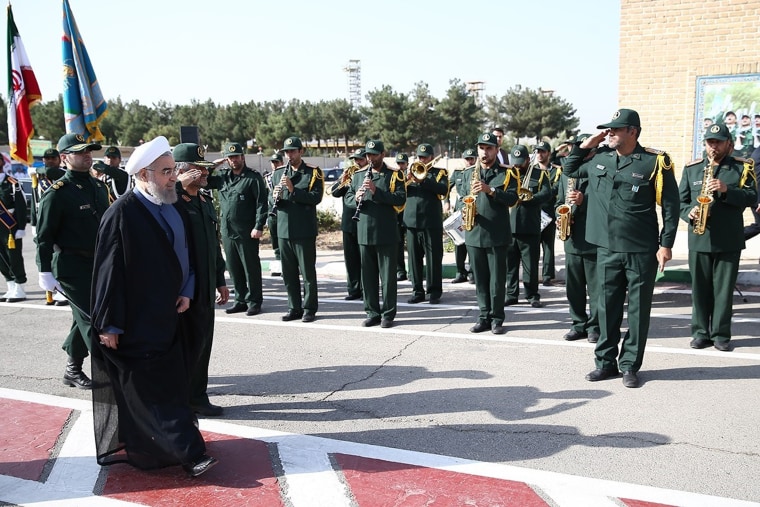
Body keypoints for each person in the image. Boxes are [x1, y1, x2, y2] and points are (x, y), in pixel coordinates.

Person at [90, 136, 217, 478]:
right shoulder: (122, 214)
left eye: (173, 169)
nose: (173, 177)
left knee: (171, 385)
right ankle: (192, 453)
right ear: (144, 175)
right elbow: (107, 273)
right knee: (152, 391)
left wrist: (187, 290)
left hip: (171, 316)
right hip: (135, 320)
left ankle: (160, 449)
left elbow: (186, 256)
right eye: (165, 172)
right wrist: (109, 325)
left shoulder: (173, 205)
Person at [563, 108, 680, 388]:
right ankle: (605, 363)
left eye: (616, 129)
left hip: (641, 249)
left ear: (632, 131)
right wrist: (586, 145)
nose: (610, 133)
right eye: (608, 129)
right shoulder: (599, 157)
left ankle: (629, 365)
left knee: (638, 311)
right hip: (606, 248)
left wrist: (666, 244)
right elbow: (569, 169)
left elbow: (671, 207)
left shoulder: (654, 162)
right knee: (605, 308)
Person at [35, 134, 110, 390]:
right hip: (72, 267)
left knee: (83, 317)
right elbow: (44, 237)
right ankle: (113, 371)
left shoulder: (99, 187)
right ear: (65, 158)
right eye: (81, 152)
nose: (88, 155)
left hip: (99, 265)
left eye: (89, 150)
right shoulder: (57, 194)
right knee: (94, 319)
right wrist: (44, 271)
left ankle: (72, 369)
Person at [679, 123, 757, 352]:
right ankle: (701, 332)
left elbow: (752, 197)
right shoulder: (692, 168)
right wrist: (689, 213)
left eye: (718, 142)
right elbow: (680, 202)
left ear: (728, 144)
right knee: (700, 289)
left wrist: (726, 190)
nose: (713, 147)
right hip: (699, 236)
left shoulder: (742, 168)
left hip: (728, 238)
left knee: (723, 291)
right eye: (710, 142)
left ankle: (721, 334)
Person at [174, 143, 230, 416]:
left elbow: (213, 244)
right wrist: (177, 188)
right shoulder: (172, 202)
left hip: (206, 286)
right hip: (185, 289)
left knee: (202, 343)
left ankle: (197, 395)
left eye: (204, 168)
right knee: (185, 346)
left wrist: (220, 278)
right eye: (198, 169)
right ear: (182, 172)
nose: (204, 173)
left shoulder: (204, 201)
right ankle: (183, 398)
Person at [462, 133, 519, 334]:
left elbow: (513, 199)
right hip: (474, 233)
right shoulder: (469, 173)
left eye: (489, 148)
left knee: (496, 281)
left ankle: (497, 318)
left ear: (496, 150)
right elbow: (463, 197)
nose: (484, 152)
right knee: (480, 280)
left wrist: (491, 190)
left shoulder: (508, 173)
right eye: (481, 148)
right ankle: (483, 316)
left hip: (496, 234)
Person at [346, 140, 407, 328]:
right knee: (368, 276)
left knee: (388, 278)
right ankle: (372, 312)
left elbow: (400, 198)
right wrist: (355, 198)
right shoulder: (358, 176)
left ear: (382, 154)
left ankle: (388, 314)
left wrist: (375, 191)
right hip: (364, 232)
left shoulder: (394, 175)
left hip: (386, 232)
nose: (370, 158)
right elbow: (348, 197)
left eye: (374, 155)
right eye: (368, 155)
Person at [207, 142, 268, 316]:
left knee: (251, 268)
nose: (234, 160)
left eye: (236, 156)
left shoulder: (253, 177)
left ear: (242, 157)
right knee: (233, 268)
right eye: (230, 157)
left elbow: (261, 204)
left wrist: (258, 226)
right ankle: (240, 300)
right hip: (228, 232)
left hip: (246, 231)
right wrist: (214, 165)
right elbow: (204, 181)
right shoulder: (223, 176)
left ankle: (254, 301)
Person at [273, 136, 324, 322]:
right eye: (286, 152)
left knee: (307, 273)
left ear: (301, 151)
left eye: (293, 151)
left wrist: (293, 190)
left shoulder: (313, 172)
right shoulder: (278, 173)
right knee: (289, 273)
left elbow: (316, 198)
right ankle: (293, 307)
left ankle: (309, 308)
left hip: (304, 230)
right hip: (284, 230)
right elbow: (272, 201)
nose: (289, 155)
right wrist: (275, 197)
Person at [556, 134, 600, 343]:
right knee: (573, 288)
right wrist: (560, 215)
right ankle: (578, 323)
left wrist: (584, 201)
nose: (576, 151)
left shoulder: (598, 170)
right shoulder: (566, 173)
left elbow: (606, 204)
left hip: (592, 239)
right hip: (571, 239)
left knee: (596, 289)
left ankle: (595, 326)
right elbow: (558, 200)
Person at [506, 144, 552, 308]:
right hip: (509, 227)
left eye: (521, 161)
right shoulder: (508, 174)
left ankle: (532, 295)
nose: (518, 165)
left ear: (527, 159)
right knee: (510, 264)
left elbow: (547, 192)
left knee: (530, 265)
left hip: (530, 225)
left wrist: (531, 198)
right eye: (515, 161)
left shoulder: (540, 174)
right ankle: (511, 294)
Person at [403, 143, 448, 304]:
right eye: (420, 157)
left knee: (433, 258)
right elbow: (396, 190)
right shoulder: (408, 173)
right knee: (414, 259)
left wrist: (423, 181)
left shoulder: (439, 173)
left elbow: (443, 190)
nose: (422, 159)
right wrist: (406, 180)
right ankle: (417, 290)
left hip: (431, 222)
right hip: (411, 222)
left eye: (425, 157)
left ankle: (434, 291)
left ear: (431, 158)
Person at [29, 148, 69, 306]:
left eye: (53, 158)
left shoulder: (64, 174)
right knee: (47, 256)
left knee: (61, 256)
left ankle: (63, 290)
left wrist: (39, 169)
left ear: (60, 159)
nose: (50, 160)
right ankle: (53, 290)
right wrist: (33, 223)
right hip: (44, 222)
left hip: (62, 221)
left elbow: (53, 173)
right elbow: (35, 202)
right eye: (47, 158)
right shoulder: (38, 179)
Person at [330, 148, 367, 300]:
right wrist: (342, 180)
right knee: (350, 259)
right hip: (348, 223)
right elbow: (334, 192)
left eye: (360, 159)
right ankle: (353, 289)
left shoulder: (369, 175)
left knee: (365, 260)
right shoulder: (349, 176)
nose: (357, 162)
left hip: (364, 222)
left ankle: (366, 290)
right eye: (355, 160)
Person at [447, 147, 476, 283]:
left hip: (473, 211)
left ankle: (472, 272)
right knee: (459, 243)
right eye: (467, 159)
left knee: (472, 243)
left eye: (472, 159)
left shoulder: (477, 172)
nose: (470, 161)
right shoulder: (458, 172)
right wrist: (446, 202)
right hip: (459, 211)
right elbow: (447, 187)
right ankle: (460, 272)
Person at [0, 163, 28, 302]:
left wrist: (21, 227)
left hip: (9, 226)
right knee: (1, 258)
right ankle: (10, 285)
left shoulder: (13, 183)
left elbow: (21, 205)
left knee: (14, 257)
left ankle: (19, 287)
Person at [535, 141, 561, 286]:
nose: (539, 154)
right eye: (537, 151)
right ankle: (533, 273)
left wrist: (544, 193)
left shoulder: (556, 171)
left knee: (548, 246)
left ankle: (547, 275)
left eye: (542, 151)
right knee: (533, 246)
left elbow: (555, 189)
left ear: (548, 154)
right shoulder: (531, 170)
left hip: (549, 212)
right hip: (534, 212)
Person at [266, 151, 284, 276]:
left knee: (285, 241)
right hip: (272, 212)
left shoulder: (285, 175)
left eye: (277, 162)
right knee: (275, 241)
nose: (275, 165)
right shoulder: (267, 177)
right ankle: (278, 266)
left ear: (282, 163)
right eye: (273, 162)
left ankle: (287, 266)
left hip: (283, 212)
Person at [394, 153, 409, 281]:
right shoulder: (395, 176)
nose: (400, 166)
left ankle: (412, 271)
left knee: (411, 244)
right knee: (398, 244)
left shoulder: (412, 174)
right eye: (398, 163)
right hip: (397, 214)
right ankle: (400, 270)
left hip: (408, 213)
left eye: (402, 163)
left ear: (407, 164)